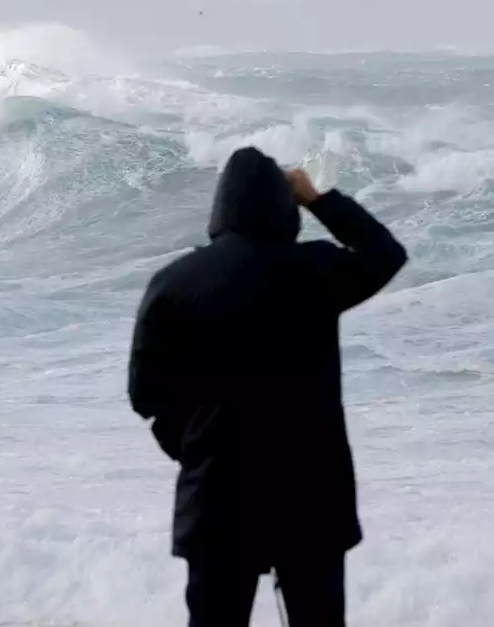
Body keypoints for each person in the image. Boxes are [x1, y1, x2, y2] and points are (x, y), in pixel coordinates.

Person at [127, 146, 408, 627]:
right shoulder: (316, 271)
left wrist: (192, 445)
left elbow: (146, 394)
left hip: (217, 488)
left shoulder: (174, 282)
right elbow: (385, 252)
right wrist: (318, 199)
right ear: (283, 206)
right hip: (311, 492)